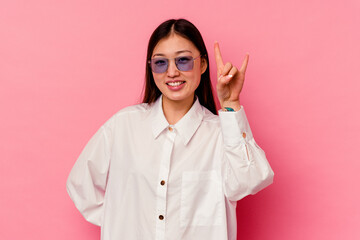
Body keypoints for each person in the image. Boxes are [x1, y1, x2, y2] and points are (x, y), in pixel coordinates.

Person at [66, 18, 274, 240]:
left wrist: (231, 104)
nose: (172, 72)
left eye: (183, 60)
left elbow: (253, 179)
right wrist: (122, 222)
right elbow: (80, 185)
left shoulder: (221, 135)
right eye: (161, 63)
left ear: (202, 64)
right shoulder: (123, 126)